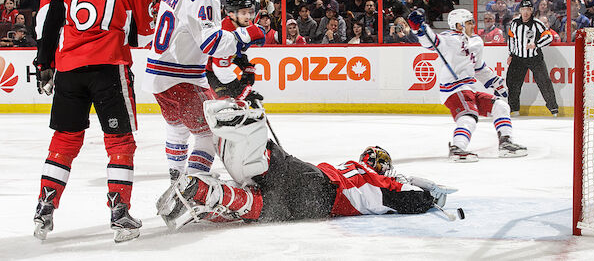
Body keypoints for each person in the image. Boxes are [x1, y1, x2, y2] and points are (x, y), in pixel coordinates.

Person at [32, 0, 155, 243]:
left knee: (64, 140)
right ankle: (119, 213)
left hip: (69, 67)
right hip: (108, 67)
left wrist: (45, 60)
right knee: (120, 143)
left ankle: (44, 208)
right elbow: (143, 33)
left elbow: (51, 11)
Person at [156, 99, 457, 229]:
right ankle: (213, 193)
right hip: (322, 197)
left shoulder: (349, 166)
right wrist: (429, 196)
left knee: (269, 176)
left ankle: (207, 189)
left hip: (311, 175)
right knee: (265, 209)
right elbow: (407, 200)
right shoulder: (376, 182)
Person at [143, 0, 265, 186]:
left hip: (157, 75)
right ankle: (195, 183)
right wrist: (246, 35)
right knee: (208, 134)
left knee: (177, 128)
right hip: (182, 77)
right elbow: (212, 43)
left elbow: (189, 15)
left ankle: (176, 178)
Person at [407, 8, 528, 162]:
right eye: (469, 23)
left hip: (469, 90)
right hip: (454, 89)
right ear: (459, 26)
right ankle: (457, 148)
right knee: (469, 116)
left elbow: (479, 67)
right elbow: (431, 42)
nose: (473, 26)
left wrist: (497, 83)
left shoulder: (476, 41)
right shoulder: (449, 39)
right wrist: (418, 27)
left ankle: (506, 144)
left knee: (501, 106)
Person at [506, 0, 558, 116]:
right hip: (518, 58)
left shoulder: (537, 23)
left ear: (531, 11)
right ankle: (514, 109)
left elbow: (549, 37)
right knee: (512, 83)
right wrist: (511, 54)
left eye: (528, 10)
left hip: (534, 58)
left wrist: (536, 44)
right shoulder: (514, 23)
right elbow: (511, 39)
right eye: (523, 9)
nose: (525, 12)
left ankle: (553, 108)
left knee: (544, 82)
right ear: (520, 10)